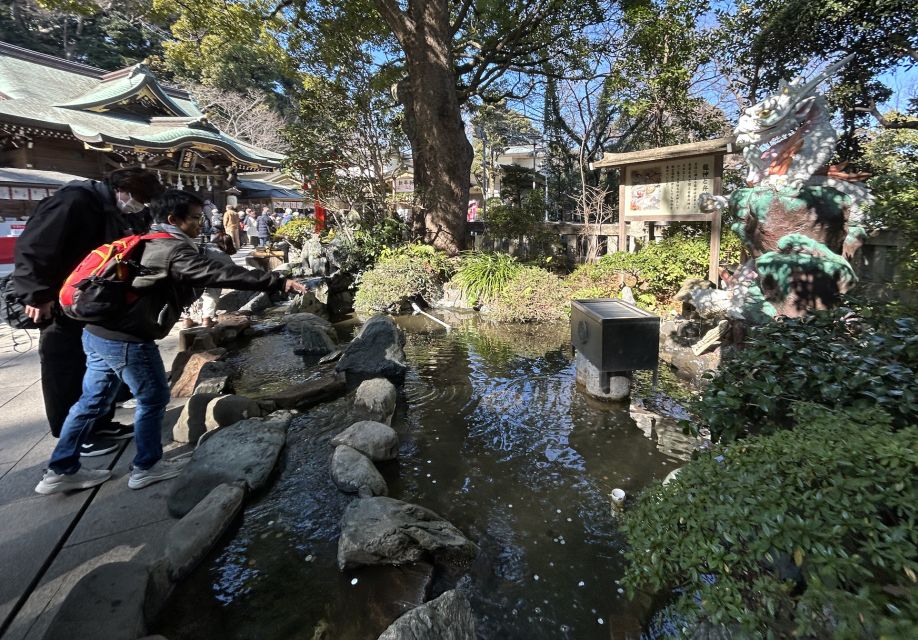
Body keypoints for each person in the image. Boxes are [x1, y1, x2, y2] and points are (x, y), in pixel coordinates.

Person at [34, 189, 307, 494]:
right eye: (194, 218)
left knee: (91, 401)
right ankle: (146, 467)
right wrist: (277, 282)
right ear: (172, 219)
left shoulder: (144, 240)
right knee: (152, 399)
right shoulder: (172, 250)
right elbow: (217, 273)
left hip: (97, 331)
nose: (199, 223)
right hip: (128, 339)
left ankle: (59, 470)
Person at [12, 167, 162, 453]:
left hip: (90, 298)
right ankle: (74, 434)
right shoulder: (75, 201)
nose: (139, 207)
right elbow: (34, 247)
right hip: (58, 298)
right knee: (65, 365)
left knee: (94, 365)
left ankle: (99, 422)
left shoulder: (108, 206)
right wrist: (36, 295)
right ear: (125, 190)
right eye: (140, 199)